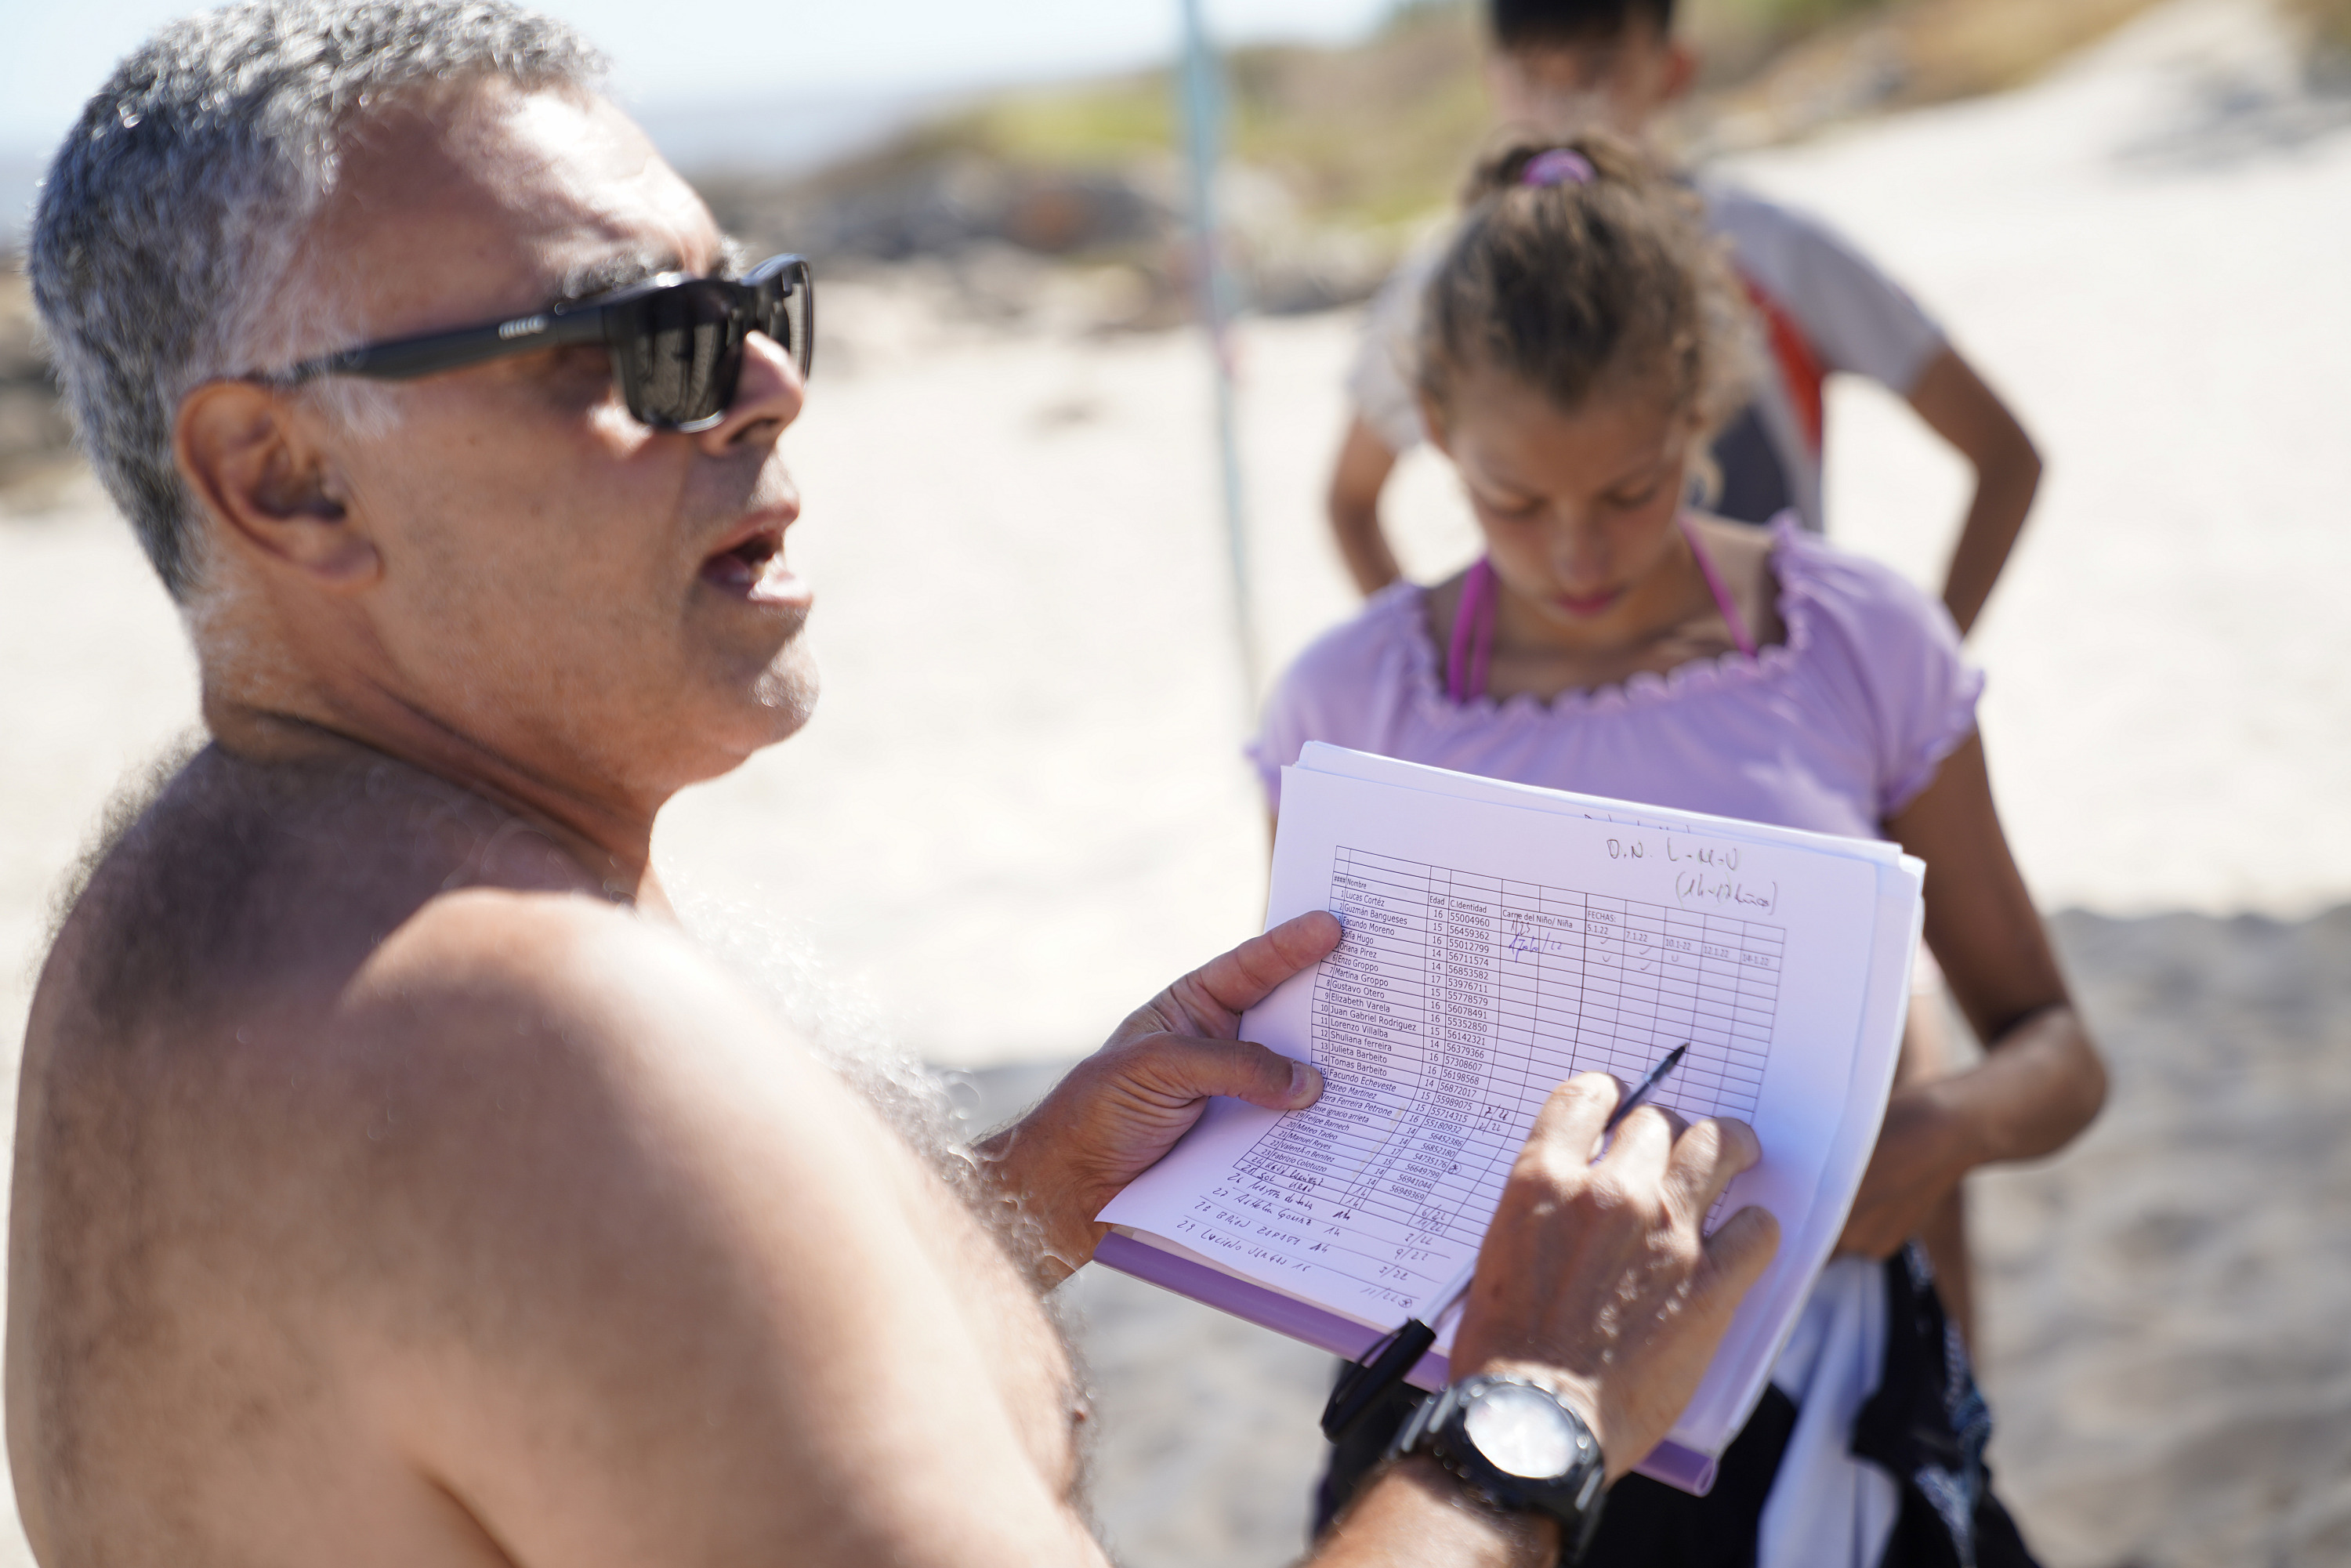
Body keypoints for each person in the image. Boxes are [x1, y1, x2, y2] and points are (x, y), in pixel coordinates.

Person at [10, 5, 1783, 1564]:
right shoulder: (516, 1039)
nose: (769, 384)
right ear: (287, 477)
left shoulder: (197, 918)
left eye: (753, 300)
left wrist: (1020, 1198)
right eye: (638, 338)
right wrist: (1532, 1403)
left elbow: (587, 1419)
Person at [1253, 134, 2105, 1567]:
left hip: (1811, 1379)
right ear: (1437, 435)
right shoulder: (1352, 701)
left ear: (1710, 411)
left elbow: (2060, 1047)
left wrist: (1941, 1139)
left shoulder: (1853, 642)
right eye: (1514, 503)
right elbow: (1322, 1088)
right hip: (1476, 1391)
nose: (1578, 554)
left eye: (1634, 490)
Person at [1330, 0, 2041, 639]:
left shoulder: (1771, 250)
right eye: (1532, 73)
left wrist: (1917, 683)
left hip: (1772, 702)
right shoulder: (1450, 284)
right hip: (1554, 729)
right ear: (1493, 79)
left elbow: (2004, 453)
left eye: (1596, 67)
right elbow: (1351, 498)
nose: (1562, 103)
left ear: (1672, 70)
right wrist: (1429, 681)